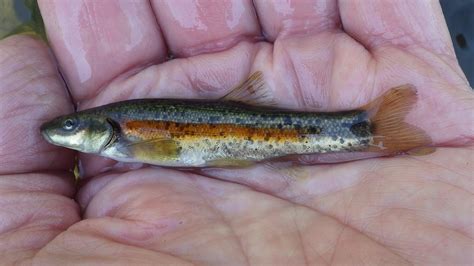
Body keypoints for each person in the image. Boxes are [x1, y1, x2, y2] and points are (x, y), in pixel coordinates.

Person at [0, 1, 472, 264]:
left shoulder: (124, 129)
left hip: (241, 128)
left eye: (69, 129)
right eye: (66, 128)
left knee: (311, 132)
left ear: (95, 129)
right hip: (239, 131)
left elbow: (165, 146)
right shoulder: (122, 126)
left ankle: (363, 129)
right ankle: (363, 129)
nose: (61, 134)